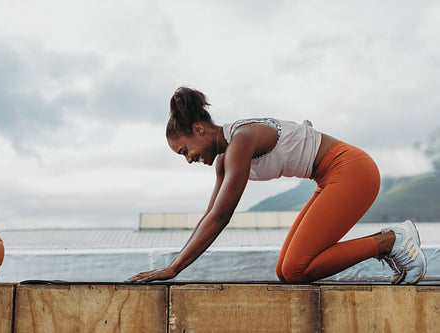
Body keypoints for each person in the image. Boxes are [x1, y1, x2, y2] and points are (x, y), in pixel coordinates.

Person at [127, 87, 427, 284]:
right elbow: (209, 216)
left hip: (352, 171)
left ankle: (391, 241)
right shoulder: (224, 161)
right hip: (330, 178)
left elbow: (221, 217)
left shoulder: (240, 140)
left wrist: (173, 269)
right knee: (286, 272)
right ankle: (391, 242)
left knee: (297, 268)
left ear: (198, 129)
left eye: (184, 151)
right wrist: (174, 263)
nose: (189, 159)